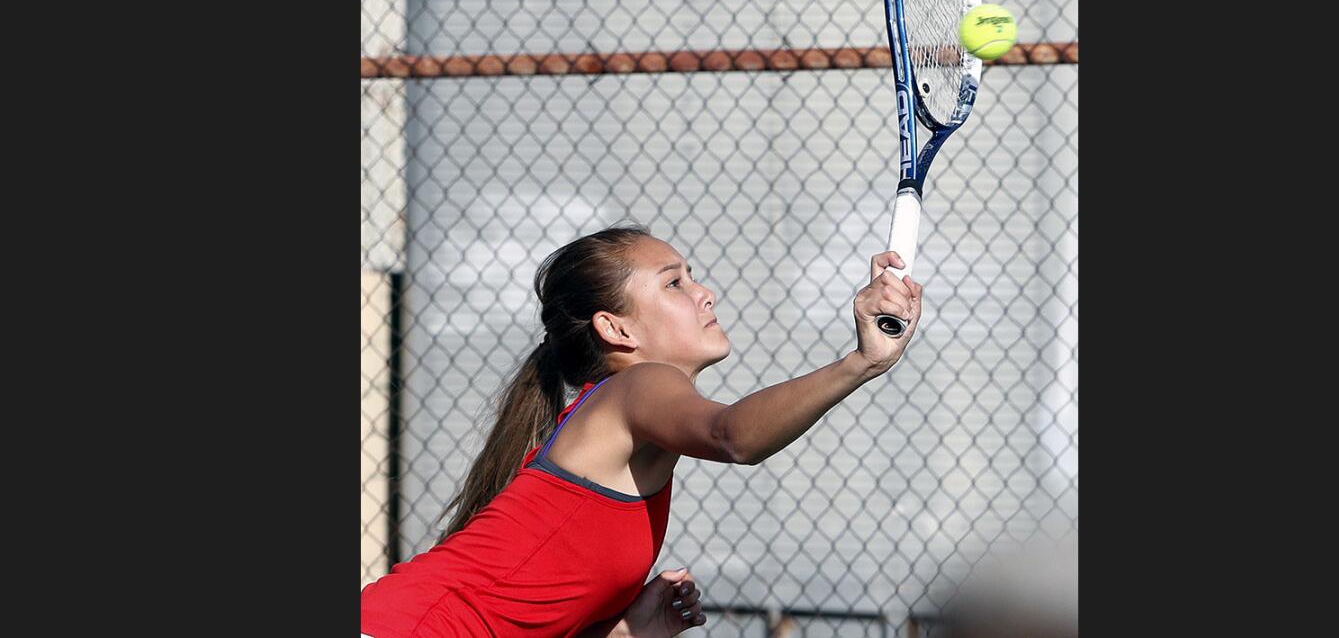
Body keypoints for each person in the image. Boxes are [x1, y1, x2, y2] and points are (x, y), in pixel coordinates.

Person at [361, 225, 923, 636]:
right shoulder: (637, 389)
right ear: (616, 328)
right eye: (674, 283)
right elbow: (734, 436)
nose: (705, 293)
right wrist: (861, 362)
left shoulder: (622, 421)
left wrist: (628, 630)